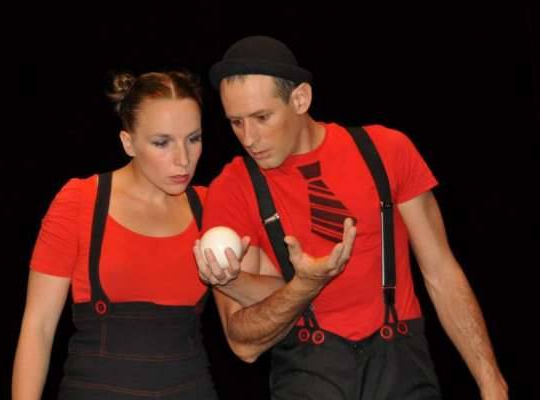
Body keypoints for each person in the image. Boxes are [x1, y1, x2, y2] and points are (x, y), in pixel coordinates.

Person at [195, 36, 508, 399]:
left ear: (300, 99)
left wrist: (491, 381)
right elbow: (242, 343)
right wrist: (304, 286)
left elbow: (441, 271)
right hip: (308, 374)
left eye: (262, 118)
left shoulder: (386, 151)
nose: (248, 138)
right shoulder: (233, 187)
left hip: (400, 364)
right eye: (236, 122)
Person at [12, 70, 219, 399]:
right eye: (162, 142)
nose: (183, 159)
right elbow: (38, 327)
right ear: (128, 142)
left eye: (193, 139)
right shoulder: (80, 201)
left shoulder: (212, 207)